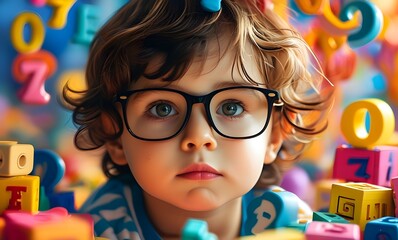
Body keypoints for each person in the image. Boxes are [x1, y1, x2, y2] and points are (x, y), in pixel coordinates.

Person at [63, 0, 333, 239]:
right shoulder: (100, 227)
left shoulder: (288, 224)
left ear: (274, 135)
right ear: (116, 138)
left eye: (231, 108)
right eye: (162, 109)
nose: (198, 137)